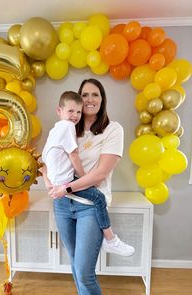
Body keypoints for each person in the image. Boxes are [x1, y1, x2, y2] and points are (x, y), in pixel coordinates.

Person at [43, 79, 134, 295]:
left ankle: (111, 240)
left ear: (102, 100)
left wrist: (65, 187)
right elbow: (47, 158)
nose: (90, 99)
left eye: (95, 95)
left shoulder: (112, 130)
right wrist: (49, 183)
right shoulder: (67, 128)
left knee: (84, 272)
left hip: (90, 205)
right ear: (77, 100)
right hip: (63, 205)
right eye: (85, 95)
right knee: (75, 265)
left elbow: (100, 174)